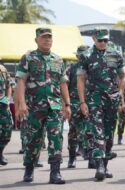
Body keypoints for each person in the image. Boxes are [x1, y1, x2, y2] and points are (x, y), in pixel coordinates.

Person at [15, 27, 71, 184]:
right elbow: (21, 81)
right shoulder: (28, 57)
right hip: (33, 107)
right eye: (43, 37)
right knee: (33, 139)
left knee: (56, 138)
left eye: (49, 37)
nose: (47, 40)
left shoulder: (58, 59)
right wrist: (21, 104)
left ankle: (55, 173)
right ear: (36, 40)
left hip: (54, 107)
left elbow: (63, 83)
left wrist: (67, 104)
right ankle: (29, 168)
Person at [77, 27, 125, 181]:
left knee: (109, 134)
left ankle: (104, 165)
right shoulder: (86, 56)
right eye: (100, 40)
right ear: (93, 38)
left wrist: (120, 93)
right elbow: (81, 79)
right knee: (98, 131)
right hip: (94, 100)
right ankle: (99, 166)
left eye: (106, 40)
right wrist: (83, 101)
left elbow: (123, 76)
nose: (103, 42)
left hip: (112, 100)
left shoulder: (116, 55)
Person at [66, 45, 89, 168]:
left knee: (90, 130)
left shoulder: (92, 67)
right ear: (77, 56)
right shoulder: (71, 69)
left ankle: (89, 155)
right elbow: (64, 87)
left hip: (90, 103)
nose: (84, 56)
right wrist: (66, 105)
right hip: (74, 104)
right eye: (82, 54)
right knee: (73, 131)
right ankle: (72, 157)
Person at [0, 62, 14, 166]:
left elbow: (9, 85)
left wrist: (8, 99)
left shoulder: (2, 69)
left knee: (7, 129)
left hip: (3, 105)